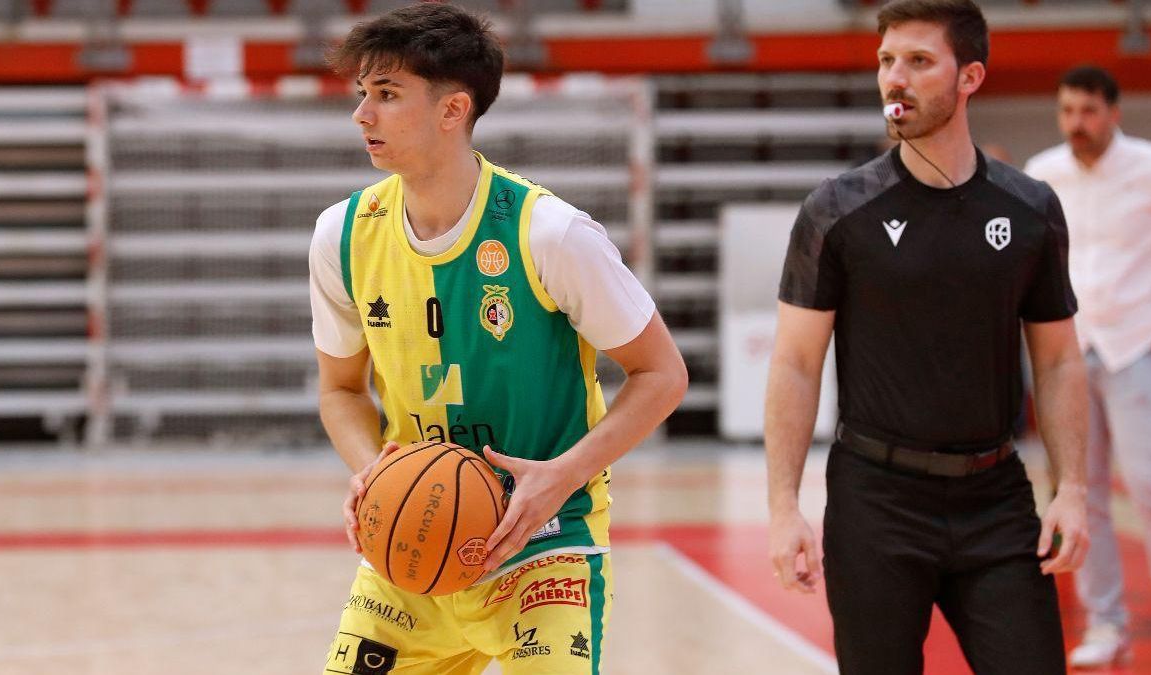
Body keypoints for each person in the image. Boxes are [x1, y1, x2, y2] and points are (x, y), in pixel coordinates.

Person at [308, 4, 687, 674]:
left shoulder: (551, 234)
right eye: (362, 94)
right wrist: (371, 472)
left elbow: (662, 373)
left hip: (542, 547)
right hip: (412, 547)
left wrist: (560, 476)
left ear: (453, 110)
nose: (362, 115)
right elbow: (340, 389)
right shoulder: (341, 234)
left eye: (387, 95)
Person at [764, 1, 1090, 673]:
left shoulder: (1032, 210)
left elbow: (1056, 359)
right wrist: (782, 505)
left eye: (918, 61)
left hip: (996, 498)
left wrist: (1074, 487)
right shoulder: (835, 210)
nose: (895, 80)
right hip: (874, 501)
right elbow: (797, 361)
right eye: (886, 60)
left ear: (970, 77)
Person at [1025, 65, 1151, 669]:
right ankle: (1105, 621)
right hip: (1069, 355)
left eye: (1088, 112)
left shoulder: (1150, 169)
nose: (1077, 123)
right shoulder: (1043, 175)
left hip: (1136, 348)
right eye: (1067, 111)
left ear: (1113, 113)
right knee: (1082, 493)